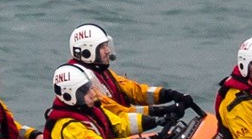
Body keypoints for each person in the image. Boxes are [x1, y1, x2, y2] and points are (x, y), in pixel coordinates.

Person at [67, 23, 200, 131]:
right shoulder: (82, 81)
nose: (108, 51)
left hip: (118, 134)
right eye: (102, 47)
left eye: (107, 45)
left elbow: (132, 90)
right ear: (87, 51)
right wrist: (162, 111)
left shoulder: (101, 70)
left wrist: (168, 94)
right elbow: (117, 112)